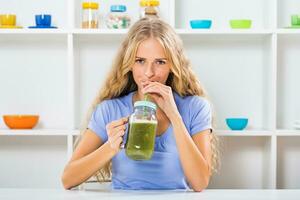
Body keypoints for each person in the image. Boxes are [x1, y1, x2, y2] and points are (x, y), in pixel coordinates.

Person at [61, 17, 219, 192]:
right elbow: (68, 179)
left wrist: (175, 115)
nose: (149, 73)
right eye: (140, 61)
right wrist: (110, 148)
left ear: (173, 65)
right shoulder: (110, 110)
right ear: (129, 64)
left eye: (160, 62)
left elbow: (200, 183)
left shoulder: (196, 108)